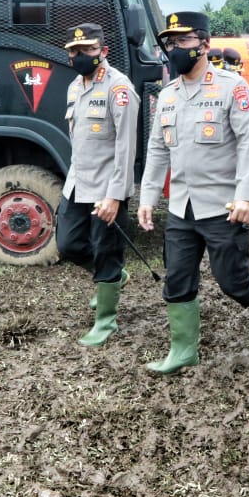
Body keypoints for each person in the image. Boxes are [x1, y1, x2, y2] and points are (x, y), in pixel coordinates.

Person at [138, 11, 249, 374]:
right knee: (177, 278)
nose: (175, 49)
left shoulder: (231, 87)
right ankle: (183, 350)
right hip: (181, 207)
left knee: (233, 281)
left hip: (223, 206)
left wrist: (246, 196)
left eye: (184, 41)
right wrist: (147, 199)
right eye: (171, 43)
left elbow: (248, 144)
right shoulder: (168, 96)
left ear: (205, 45)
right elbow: (159, 151)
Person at [57, 23, 140, 345]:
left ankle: (105, 321)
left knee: (106, 251)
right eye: (74, 51)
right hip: (77, 183)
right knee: (68, 245)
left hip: (107, 188)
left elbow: (125, 146)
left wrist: (114, 196)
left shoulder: (119, 88)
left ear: (103, 51)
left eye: (87, 50)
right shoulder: (74, 87)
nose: (80, 56)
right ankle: (115, 278)